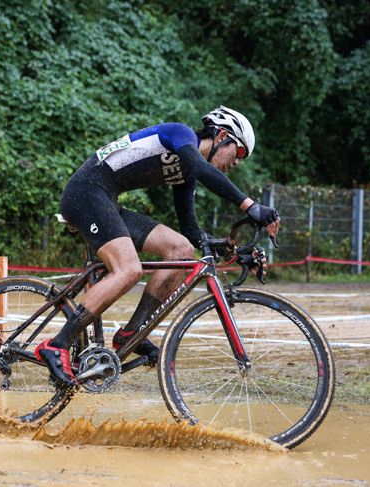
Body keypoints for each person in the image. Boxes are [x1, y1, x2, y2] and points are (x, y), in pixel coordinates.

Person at [34, 105, 281, 387]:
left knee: (181, 249)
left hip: (106, 201)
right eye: (238, 153)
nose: (237, 163)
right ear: (222, 135)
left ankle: (131, 333)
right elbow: (202, 168)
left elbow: (191, 232)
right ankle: (57, 344)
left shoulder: (185, 173)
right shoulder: (180, 134)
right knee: (129, 269)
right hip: (86, 192)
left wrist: (233, 250)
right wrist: (251, 206)